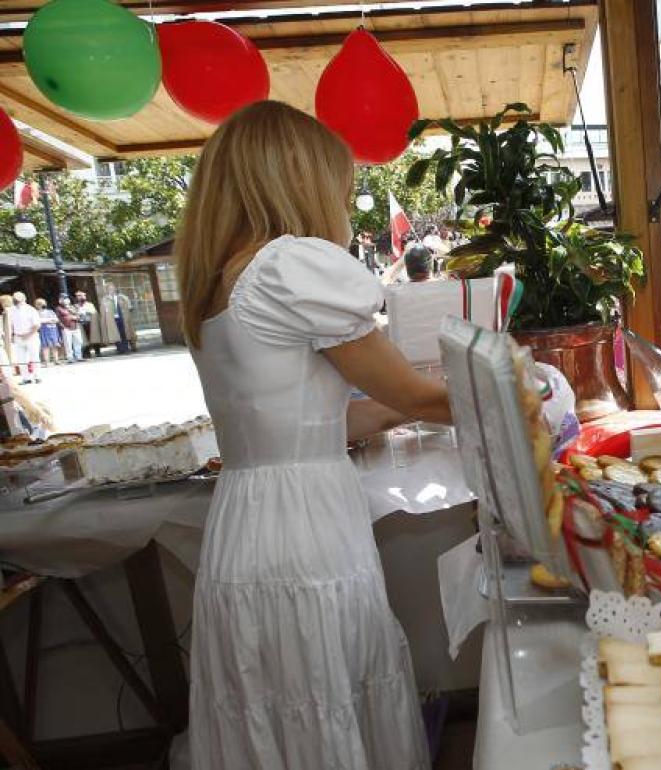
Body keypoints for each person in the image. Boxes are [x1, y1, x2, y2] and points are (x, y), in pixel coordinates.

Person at [176, 100, 450, 768]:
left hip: (247, 522)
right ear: (299, 180)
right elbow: (410, 390)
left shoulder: (220, 281)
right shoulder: (285, 266)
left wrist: (405, 410)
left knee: (276, 706)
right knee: (325, 692)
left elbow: (309, 420)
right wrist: (508, 392)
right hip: (303, 530)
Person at [8, 292, 41, 384]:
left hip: (31, 336)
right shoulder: (11, 310)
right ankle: (26, 378)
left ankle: (37, 376)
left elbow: (36, 325)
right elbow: (10, 325)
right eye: (14, 298)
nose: (15, 300)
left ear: (23, 299)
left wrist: (28, 334)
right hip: (18, 337)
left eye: (17, 298)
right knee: (21, 359)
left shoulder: (30, 310)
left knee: (34, 357)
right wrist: (11, 335)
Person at [100, 283, 136, 354]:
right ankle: (119, 348)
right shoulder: (105, 300)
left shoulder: (121, 297)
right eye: (110, 289)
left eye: (113, 288)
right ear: (107, 290)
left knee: (124, 332)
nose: (112, 290)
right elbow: (103, 311)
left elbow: (128, 307)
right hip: (112, 319)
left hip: (122, 317)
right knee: (115, 334)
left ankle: (125, 348)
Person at [34, 298, 63, 367]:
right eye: (40, 304)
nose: (43, 305)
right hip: (44, 330)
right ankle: (47, 361)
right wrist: (49, 320)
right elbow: (38, 321)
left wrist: (49, 320)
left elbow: (56, 319)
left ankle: (56, 359)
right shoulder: (36, 313)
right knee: (45, 345)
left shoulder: (50, 311)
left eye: (44, 303)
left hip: (52, 329)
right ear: (37, 305)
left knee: (54, 344)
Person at [55, 295, 83, 363]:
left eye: (67, 299)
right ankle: (70, 357)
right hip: (66, 328)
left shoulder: (72, 307)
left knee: (78, 342)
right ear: (60, 300)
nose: (66, 300)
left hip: (75, 327)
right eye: (64, 299)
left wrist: (75, 317)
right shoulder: (59, 308)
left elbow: (79, 315)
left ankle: (79, 356)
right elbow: (57, 319)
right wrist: (62, 326)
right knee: (68, 343)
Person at [74, 291, 100, 358]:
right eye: (78, 296)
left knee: (94, 337)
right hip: (81, 324)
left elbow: (94, 312)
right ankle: (87, 353)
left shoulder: (90, 304)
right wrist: (79, 312)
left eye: (81, 295)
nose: (80, 297)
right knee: (84, 339)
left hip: (90, 322)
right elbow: (74, 313)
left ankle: (97, 351)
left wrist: (86, 310)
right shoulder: (75, 306)